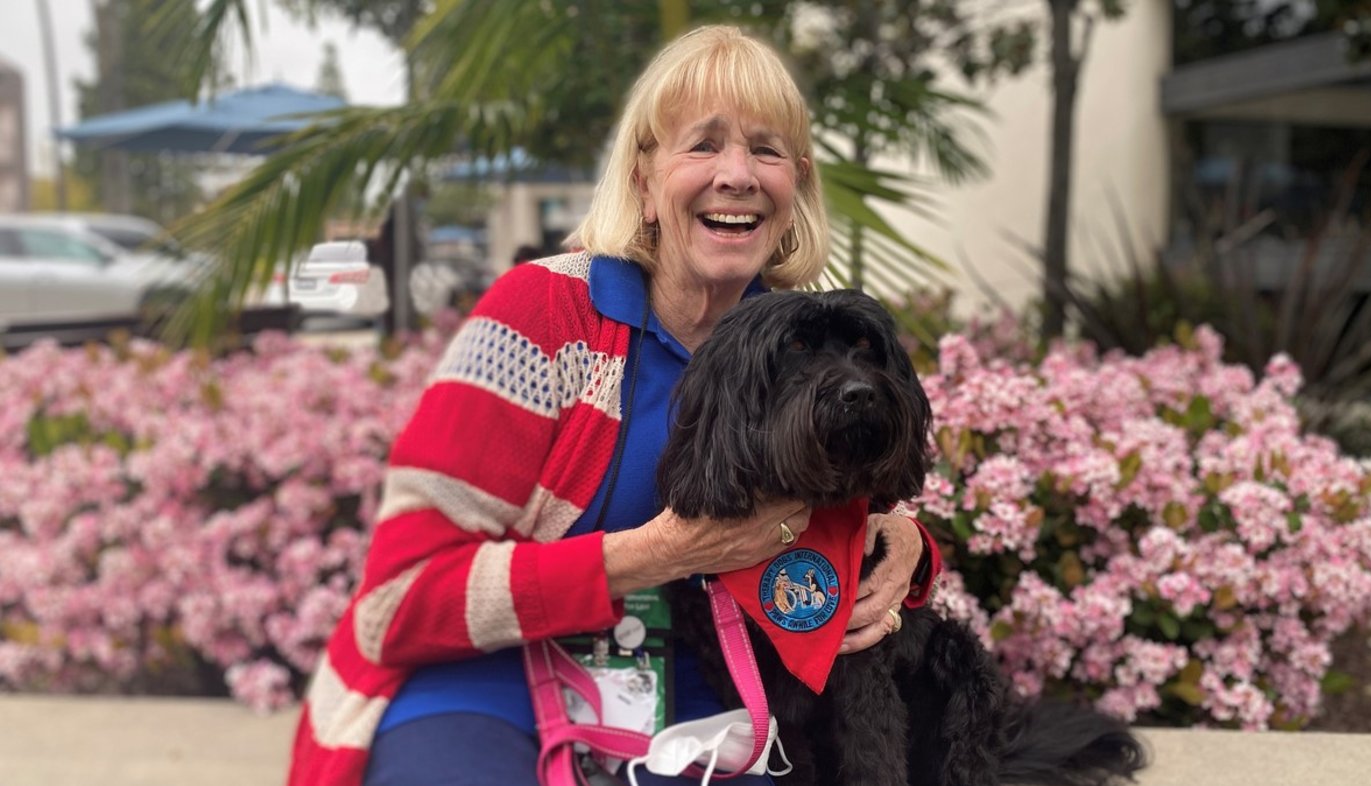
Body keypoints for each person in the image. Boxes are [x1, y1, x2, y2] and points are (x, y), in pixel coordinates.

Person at [287, 25, 939, 786]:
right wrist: (657, 554)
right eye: (703, 145)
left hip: (701, 697)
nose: (737, 174)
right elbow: (396, 602)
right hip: (493, 681)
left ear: (796, 183)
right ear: (642, 178)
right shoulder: (539, 319)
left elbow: (876, 487)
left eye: (766, 150)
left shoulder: (810, 342)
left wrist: (908, 547)